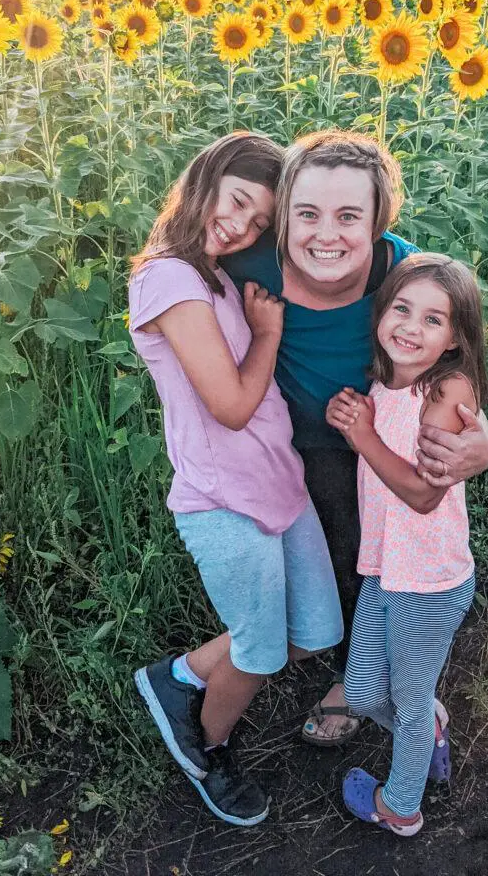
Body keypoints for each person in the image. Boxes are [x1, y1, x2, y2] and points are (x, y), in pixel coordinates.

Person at [222, 129, 488, 745]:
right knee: (342, 547)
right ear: (281, 217)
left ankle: (377, 676)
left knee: (390, 548)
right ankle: (357, 653)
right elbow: (183, 259)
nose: (326, 235)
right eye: (307, 214)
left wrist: (484, 443)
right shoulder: (250, 266)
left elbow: (456, 360)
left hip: (393, 434)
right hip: (302, 439)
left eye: (350, 216)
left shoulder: (404, 273)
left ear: (378, 223)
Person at [128, 133, 343, 827]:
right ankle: (206, 752)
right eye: (240, 202)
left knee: (314, 632)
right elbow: (228, 405)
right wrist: (270, 337)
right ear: (209, 177)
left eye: (258, 222)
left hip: (280, 485)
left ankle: (180, 677)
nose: (242, 227)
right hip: (221, 500)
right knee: (259, 650)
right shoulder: (166, 277)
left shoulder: (215, 275)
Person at [326, 253, 488, 836]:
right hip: (384, 569)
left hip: (430, 580)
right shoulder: (385, 380)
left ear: (454, 338)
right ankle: (429, 732)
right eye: (402, 308)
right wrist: (358, 419)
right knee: (366, 691)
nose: (410, 327)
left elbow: (422, 495)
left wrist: (361, 433)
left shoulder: (449, 388)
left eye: (433, 319)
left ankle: (402, 808)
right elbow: (381, 457)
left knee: (410, 695)